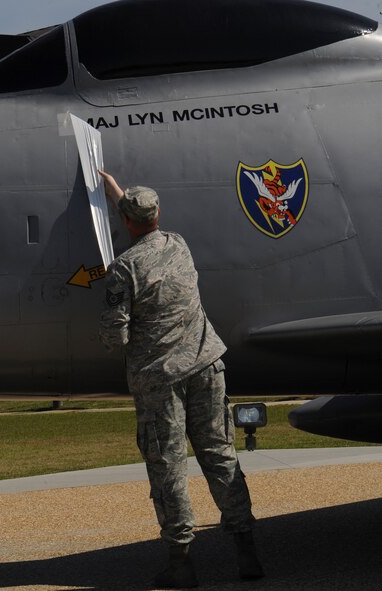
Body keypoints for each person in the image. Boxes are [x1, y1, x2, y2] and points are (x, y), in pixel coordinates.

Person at [98, 171, 264, 588]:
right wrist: (117, 190)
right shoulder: (179, 244)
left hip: (160, 381)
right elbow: (141, 219)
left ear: (125, 222)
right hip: (207, 366)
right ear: (157, 214)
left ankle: (181, 563)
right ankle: (247, 554)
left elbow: (114, 337)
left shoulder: (123, 268)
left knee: (168, 467)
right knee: (220, 456)